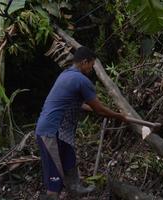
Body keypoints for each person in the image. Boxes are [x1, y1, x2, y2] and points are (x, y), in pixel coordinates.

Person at [35, 46, 126, 200]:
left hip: (62, 131)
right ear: (85, 62)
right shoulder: (81, 80)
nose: (92, 69)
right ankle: (52, 196)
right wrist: (120, 116)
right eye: (92, 65)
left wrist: (103, 110)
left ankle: (75, 189)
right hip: (51, 131)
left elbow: (76, 103)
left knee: (69, 160)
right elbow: (100, 110)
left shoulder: (66, 75)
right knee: (54, 175)